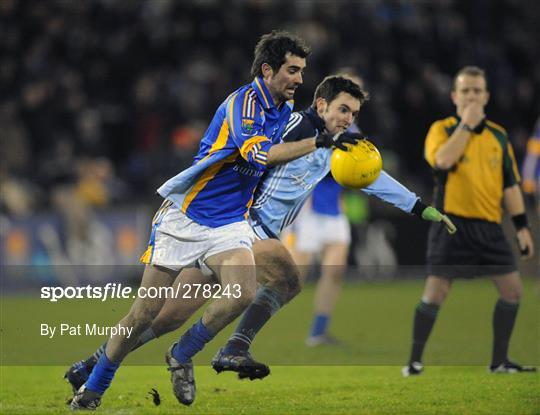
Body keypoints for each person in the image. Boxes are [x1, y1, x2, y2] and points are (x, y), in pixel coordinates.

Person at [66, 74, 456, 406]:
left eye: (353, 113)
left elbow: (373, 178)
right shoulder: (294, 128)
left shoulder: (338, 146)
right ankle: (229, 347)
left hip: (244, 232)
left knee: (169, 316)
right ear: (321, 104)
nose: (348, 119)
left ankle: (91, 365)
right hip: (238, 226)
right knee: (288, 278)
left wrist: (421, 208)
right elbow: (259, 151)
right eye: (342, 110)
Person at [70, 31, 365, 410]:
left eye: (302, 71)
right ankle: (94, 385)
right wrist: (320, 142)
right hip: (186, 217)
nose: (299, 79)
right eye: (293, 70)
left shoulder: (284, 112)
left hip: (230, 224)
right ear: (267, 69)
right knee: (145, 313)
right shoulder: (243, 104)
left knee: (241, 293)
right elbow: (259, 155)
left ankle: (182, 353)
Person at [402, 66, 536, 377]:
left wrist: (521, 227)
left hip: (490, 227)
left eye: (477, 91)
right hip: (452, 224)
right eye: (466, 91)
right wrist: (467, 125)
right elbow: (443, 161)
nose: (472, 96)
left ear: (486, 96)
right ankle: (414, 361)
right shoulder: (442, 129)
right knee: (435, 294)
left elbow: (511, 185)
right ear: (454, 96)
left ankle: (499, 361)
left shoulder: (498, 136)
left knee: (513, 291)